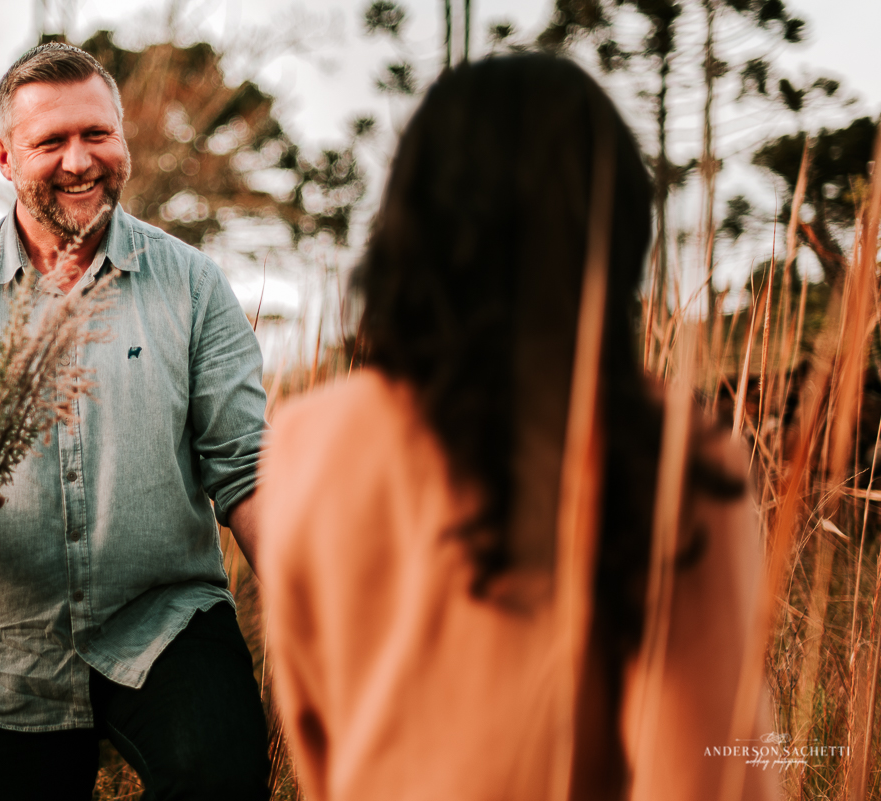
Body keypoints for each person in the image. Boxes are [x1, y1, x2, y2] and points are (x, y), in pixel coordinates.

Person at [259, 55, 778, 801]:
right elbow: (704, 783)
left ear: (410, 223)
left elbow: (318, 746)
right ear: (616, 225)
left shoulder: (306, 439)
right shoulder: (667, 451)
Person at [0, 43, 269, 800]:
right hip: (7, 647)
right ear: (5, 156)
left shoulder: (194, 286)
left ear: (123, 138)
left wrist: (310, 596)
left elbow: (244, 466)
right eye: (51, 142)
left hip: (168, 619)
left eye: (97, 134)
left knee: (223, 776)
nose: (80, 161)